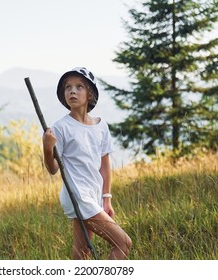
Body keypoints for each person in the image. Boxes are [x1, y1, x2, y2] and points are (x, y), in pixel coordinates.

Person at [42, 67, 132, 260]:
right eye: (67, 87)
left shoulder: (101, 126)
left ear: (90, 93)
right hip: (77, 195)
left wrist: (106, 199)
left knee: (82, 252)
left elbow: (105, 166)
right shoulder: (62, 127)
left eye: (79, 86)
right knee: (123, 242)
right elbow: (53, 169)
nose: (72, 91)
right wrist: (47, 148)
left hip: (93, 194)